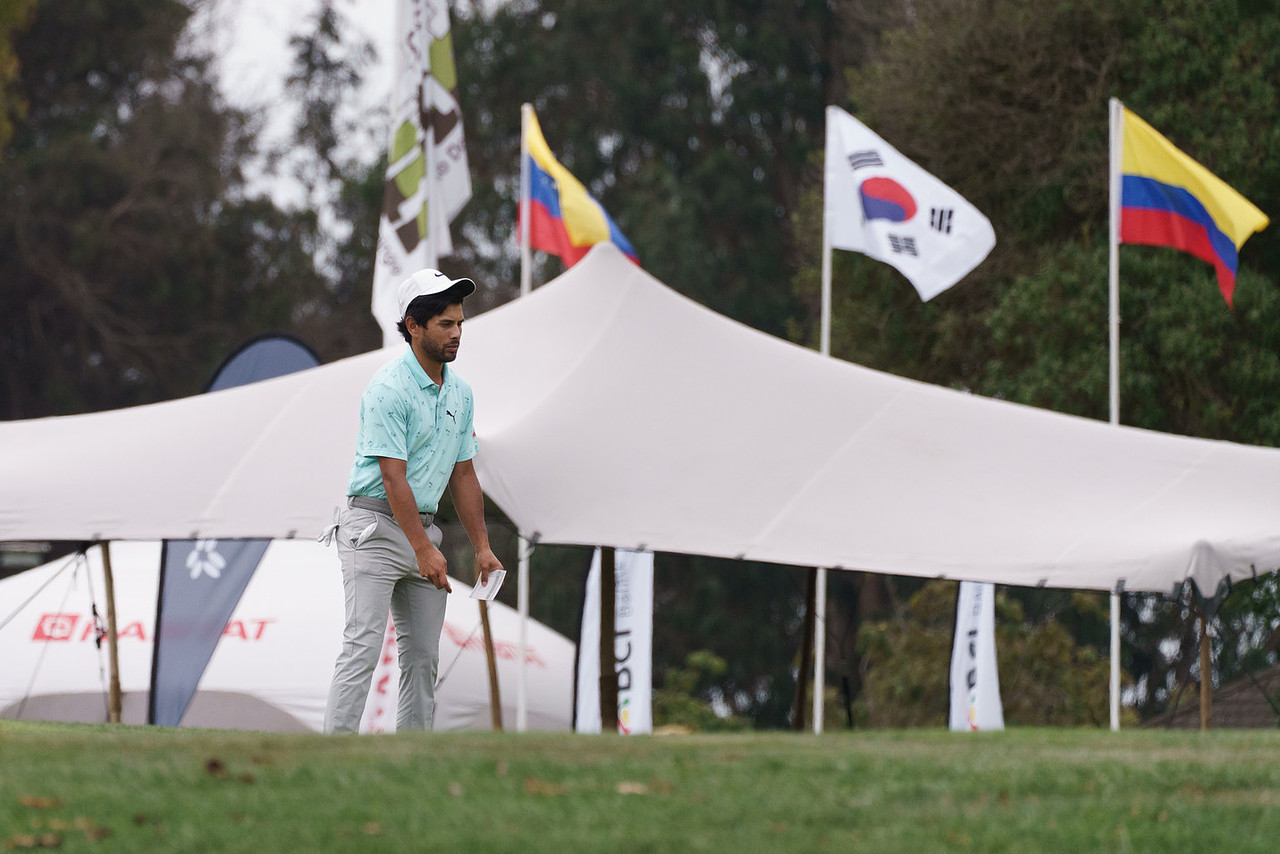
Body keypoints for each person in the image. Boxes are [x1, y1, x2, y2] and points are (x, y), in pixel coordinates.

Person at [324, 268, 503, 733]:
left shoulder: (461, 392)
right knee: (362, 648)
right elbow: (392, 477)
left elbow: (463, 473)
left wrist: (482, 547)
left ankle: (412, 758)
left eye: (460, 323)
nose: (457, 333)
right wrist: (424, 549)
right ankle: (332, 752)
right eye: (445, 324)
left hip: (423, 533)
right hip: (373, 530)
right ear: (413, 326)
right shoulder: (388, 388)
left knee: (424, 659)